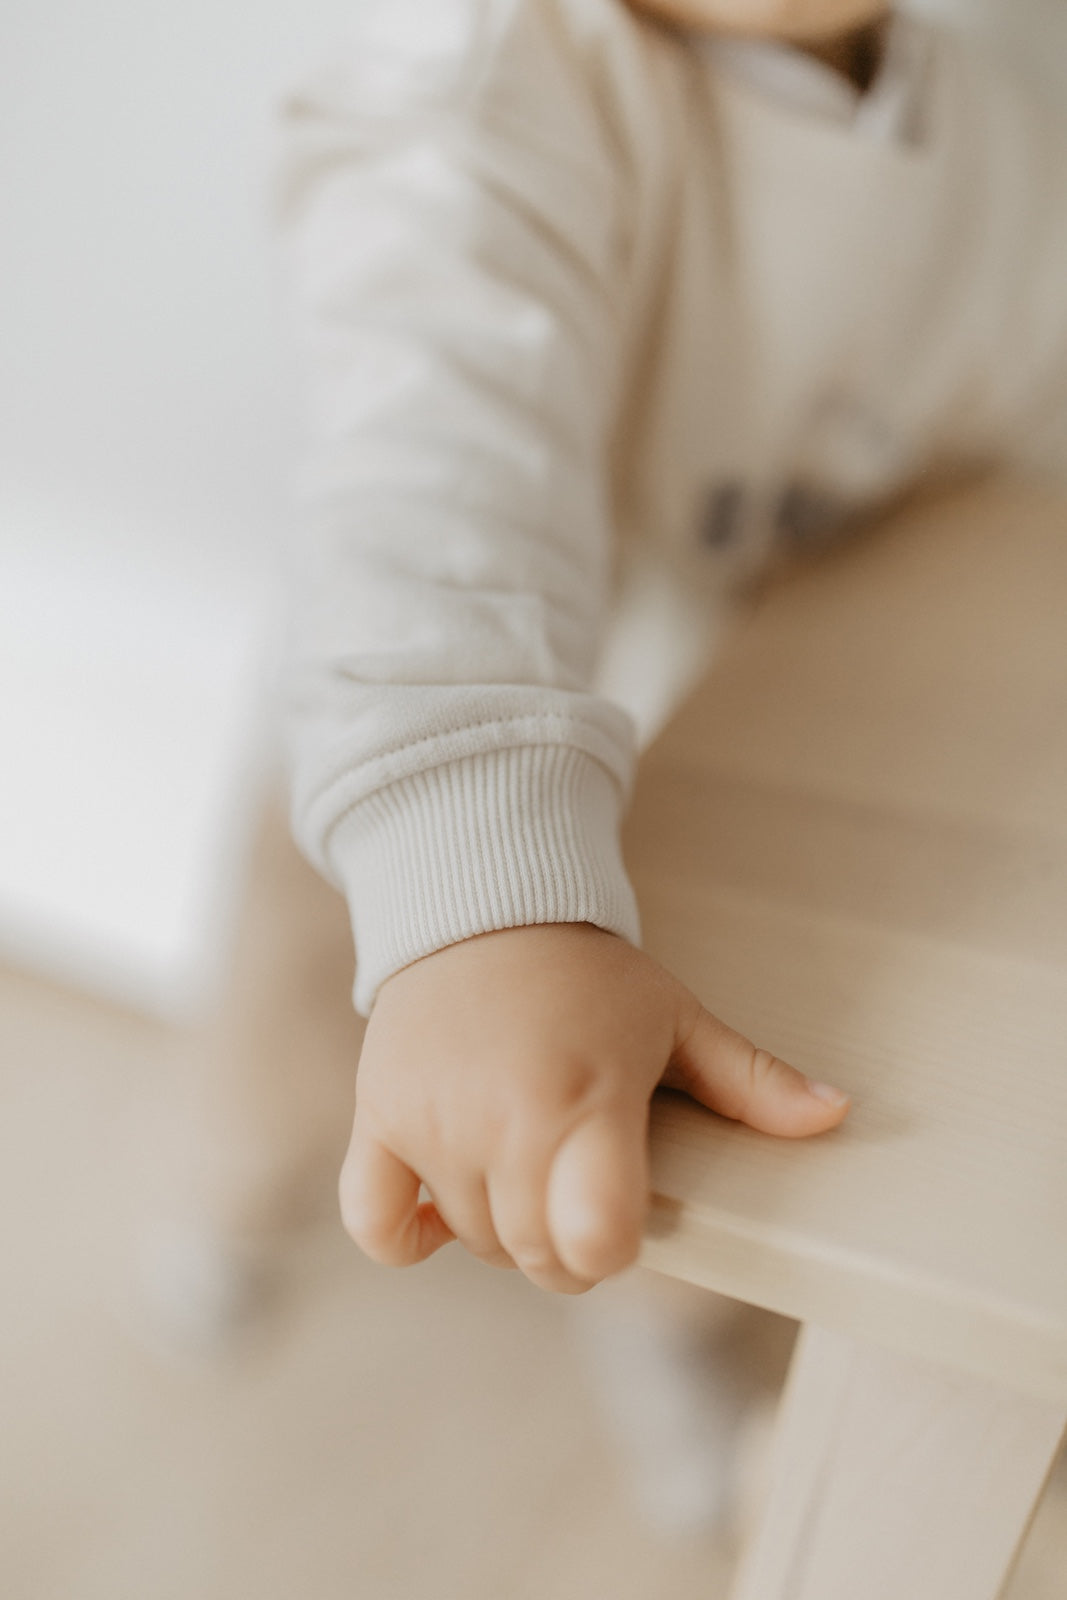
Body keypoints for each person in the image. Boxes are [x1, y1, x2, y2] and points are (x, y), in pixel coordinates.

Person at [275, 0, 1067, 1303]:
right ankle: (225, 1215)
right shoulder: (474, 73)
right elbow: (423, 471)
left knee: (661, 1161)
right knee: (297, 1034)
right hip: (404, 742)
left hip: (724, 713)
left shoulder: (987, 99)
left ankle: (668, 1360)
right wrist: (476, 905)